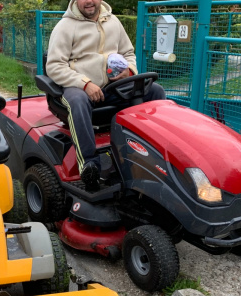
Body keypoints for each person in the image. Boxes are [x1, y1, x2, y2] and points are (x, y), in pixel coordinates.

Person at [46, 0, 165, 190]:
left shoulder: (113, 22)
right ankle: (89, 164)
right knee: (77, 101)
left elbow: (128, 53)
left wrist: (129, 70)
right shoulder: (65, 27)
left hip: (113, 87)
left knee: (155, 91)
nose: (90, 1)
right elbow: (54, 66)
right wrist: (85, 84)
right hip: (78, 86)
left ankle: (157, 154)